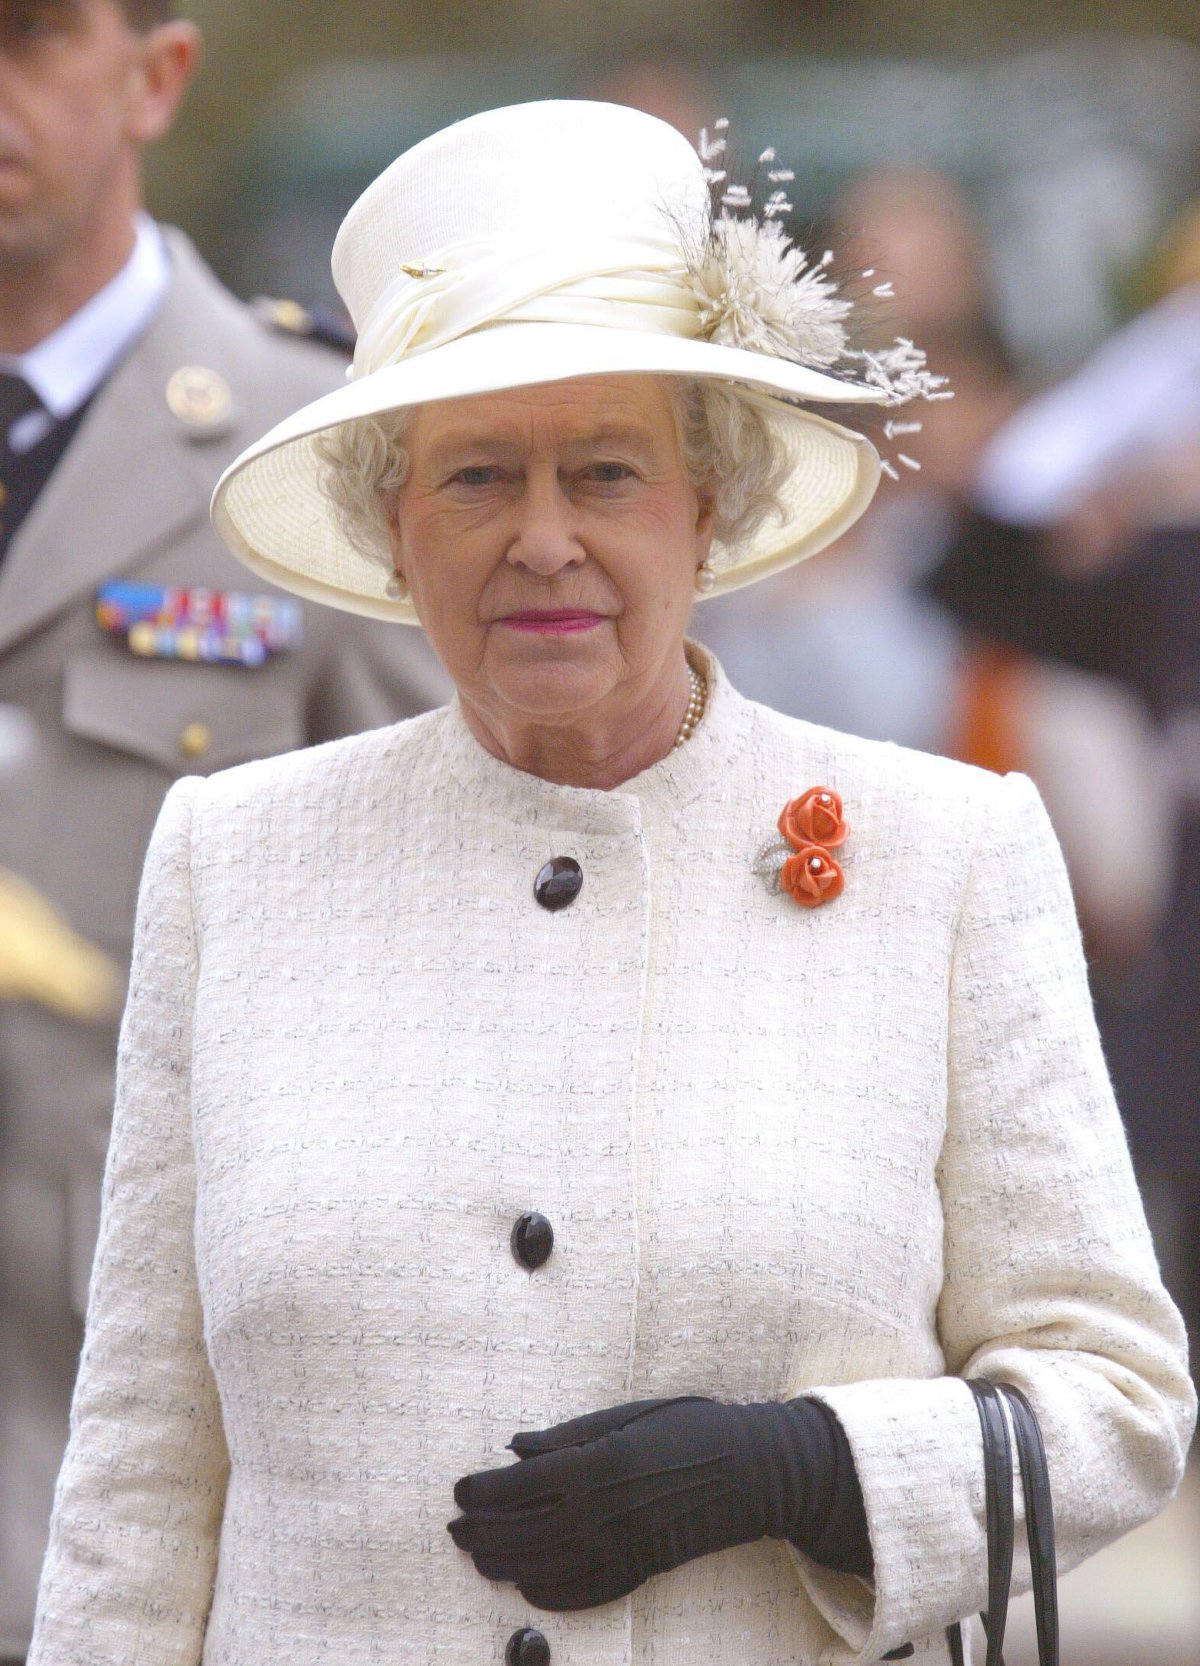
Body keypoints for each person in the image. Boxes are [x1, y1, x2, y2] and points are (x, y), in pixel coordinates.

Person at [27, 100, 1195, 1666]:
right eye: (477, 479)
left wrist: (819, 1469)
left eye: (607, 471)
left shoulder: (949, 853)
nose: (545, 538)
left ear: (706, 508)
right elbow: (141, 1473)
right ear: (392, 528)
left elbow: (1118, 1397)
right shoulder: (233, 860)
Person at [0, 2, 446, 1653]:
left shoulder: (320, 447)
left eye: (29, 36)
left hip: (149, 1457)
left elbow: (475, 908)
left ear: (155, 75)